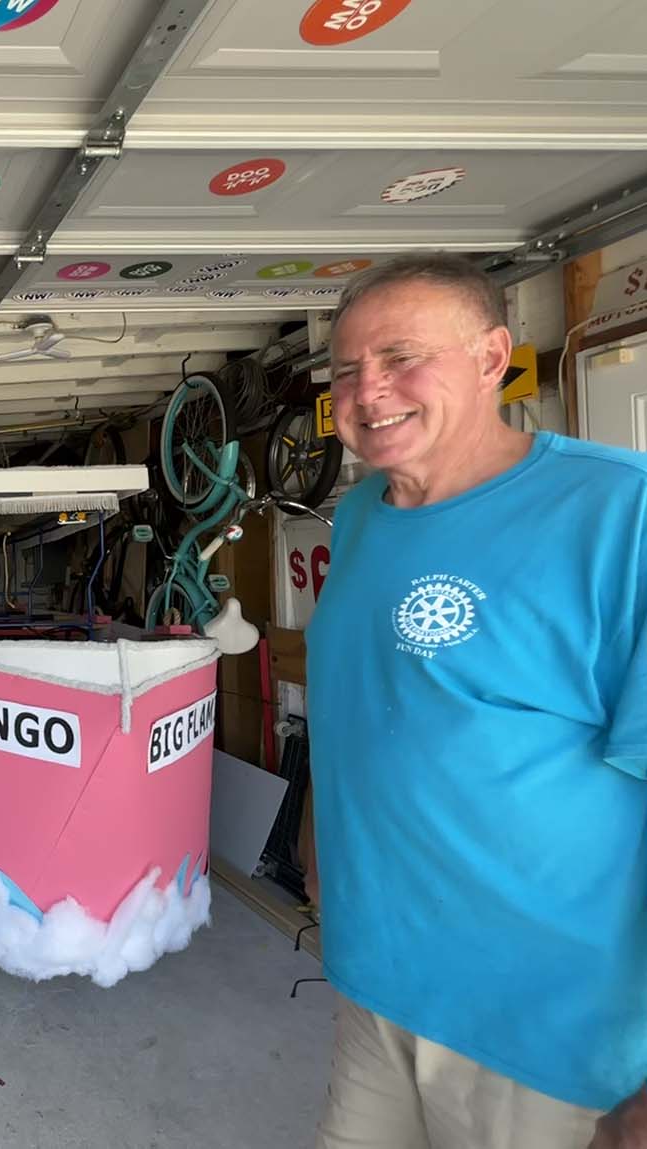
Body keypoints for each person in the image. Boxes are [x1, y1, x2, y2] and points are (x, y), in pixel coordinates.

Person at [306, 253, 647, 1149]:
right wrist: (315, 834)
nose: (369, 390)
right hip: (380, 986)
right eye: (346, 369)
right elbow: (366, 701)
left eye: (401, 357)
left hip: (548, 1036)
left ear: (494, 356)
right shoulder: (362, 514)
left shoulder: (622, 514)